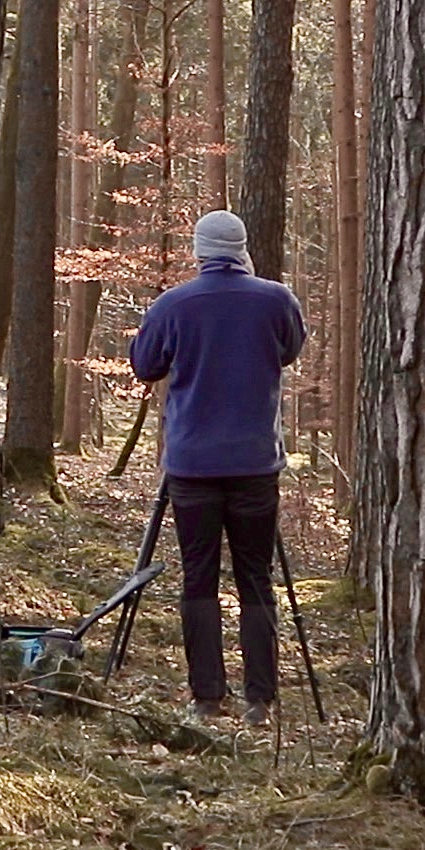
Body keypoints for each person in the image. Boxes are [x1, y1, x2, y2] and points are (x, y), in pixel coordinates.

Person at [128, 209, 306, 725]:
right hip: (254, 460)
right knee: (256, 577)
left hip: (192, 465)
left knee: (198, 577)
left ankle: (207, 696)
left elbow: (145, 365)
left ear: (199, 251)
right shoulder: (276, 300)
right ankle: (260, 700)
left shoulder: (173, 304)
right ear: (242, 249)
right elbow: (289, 349)